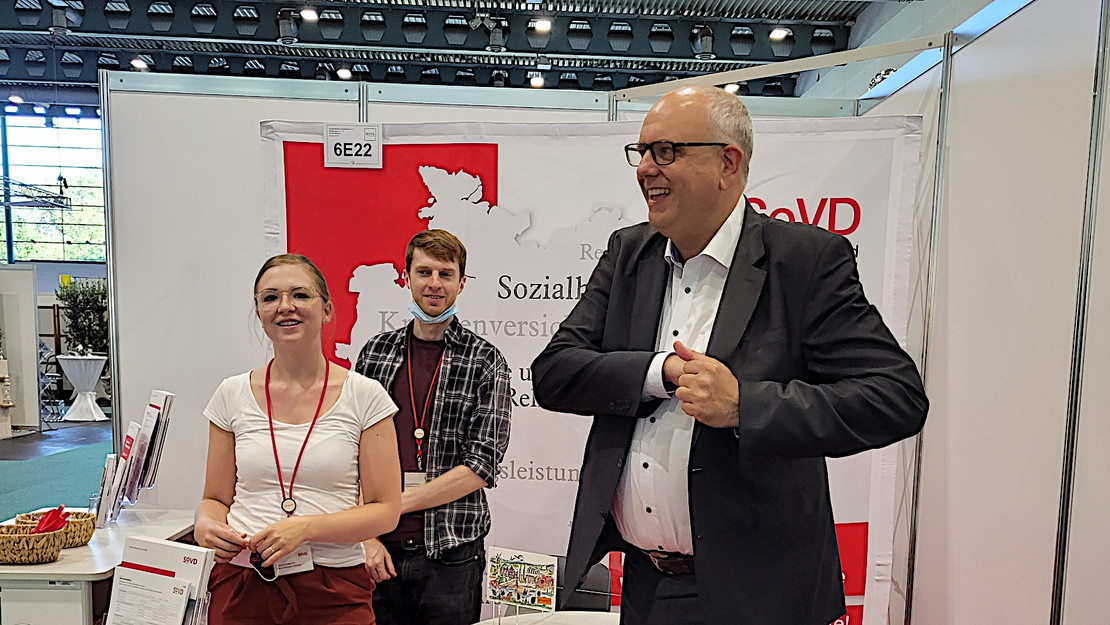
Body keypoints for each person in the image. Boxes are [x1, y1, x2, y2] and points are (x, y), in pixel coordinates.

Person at [531, 86, 929, 625]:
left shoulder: (804, 261)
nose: (646, 168)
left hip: (761, 593)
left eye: (666, 151)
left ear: (728, 162)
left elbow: (896, 398)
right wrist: (660, 373)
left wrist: (745, 405)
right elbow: (554, 372)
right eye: (642, 151)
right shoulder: (629, 253)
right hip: (647, 585)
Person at [195, 254, 402, 625]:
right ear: (258, 312)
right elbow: (214, 499)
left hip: (333, 587)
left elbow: (385, 510)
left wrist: (306, 528)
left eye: (300, 295)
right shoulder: (231, 394)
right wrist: (206, 525)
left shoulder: (365, 396)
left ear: (326, 310)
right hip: (243, 584)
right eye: (270, 297)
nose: (285, 307)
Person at [355, 229, 512, 625]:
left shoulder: (485, 360)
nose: (434, 284)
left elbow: (482, 464)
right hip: (380, 551)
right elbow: (348, 453)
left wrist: (395, 504)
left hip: (452, 550)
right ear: (406, 277)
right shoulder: (374, 354)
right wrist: (367, 534)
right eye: (424, 272)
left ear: (462, 283)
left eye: (446, 274)